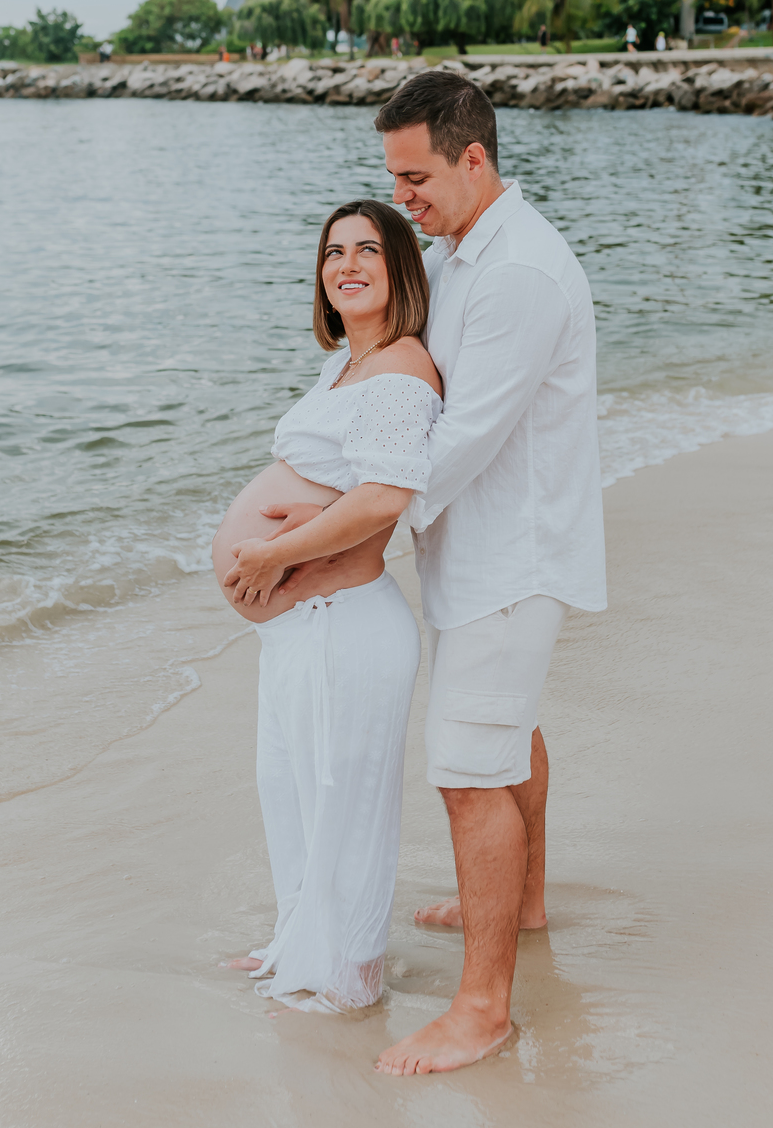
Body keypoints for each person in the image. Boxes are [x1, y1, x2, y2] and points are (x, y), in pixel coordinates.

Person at [230, 73, 608, 1074]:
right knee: (506, 727)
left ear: (472, 158)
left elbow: (455, 445)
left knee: (466, 770)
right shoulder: (459, 255)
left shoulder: (519, 272)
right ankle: (521, 898)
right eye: (393, 175)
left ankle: (483, 1009)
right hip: (483, 554)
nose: (401, 195)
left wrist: (323, 533)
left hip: (510, 558)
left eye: (414, 175)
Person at [214, 200, 442, 1012]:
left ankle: (349, 975)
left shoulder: (403, 368)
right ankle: (299, 943)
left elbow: (386, 496)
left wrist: (274, 552)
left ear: (401, 270)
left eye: (367, 251)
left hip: (347, 624)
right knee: (290, 785)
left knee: (342, 796)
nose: (346, 264)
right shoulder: (345, 365)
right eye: (333, 251)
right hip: (304, 625)